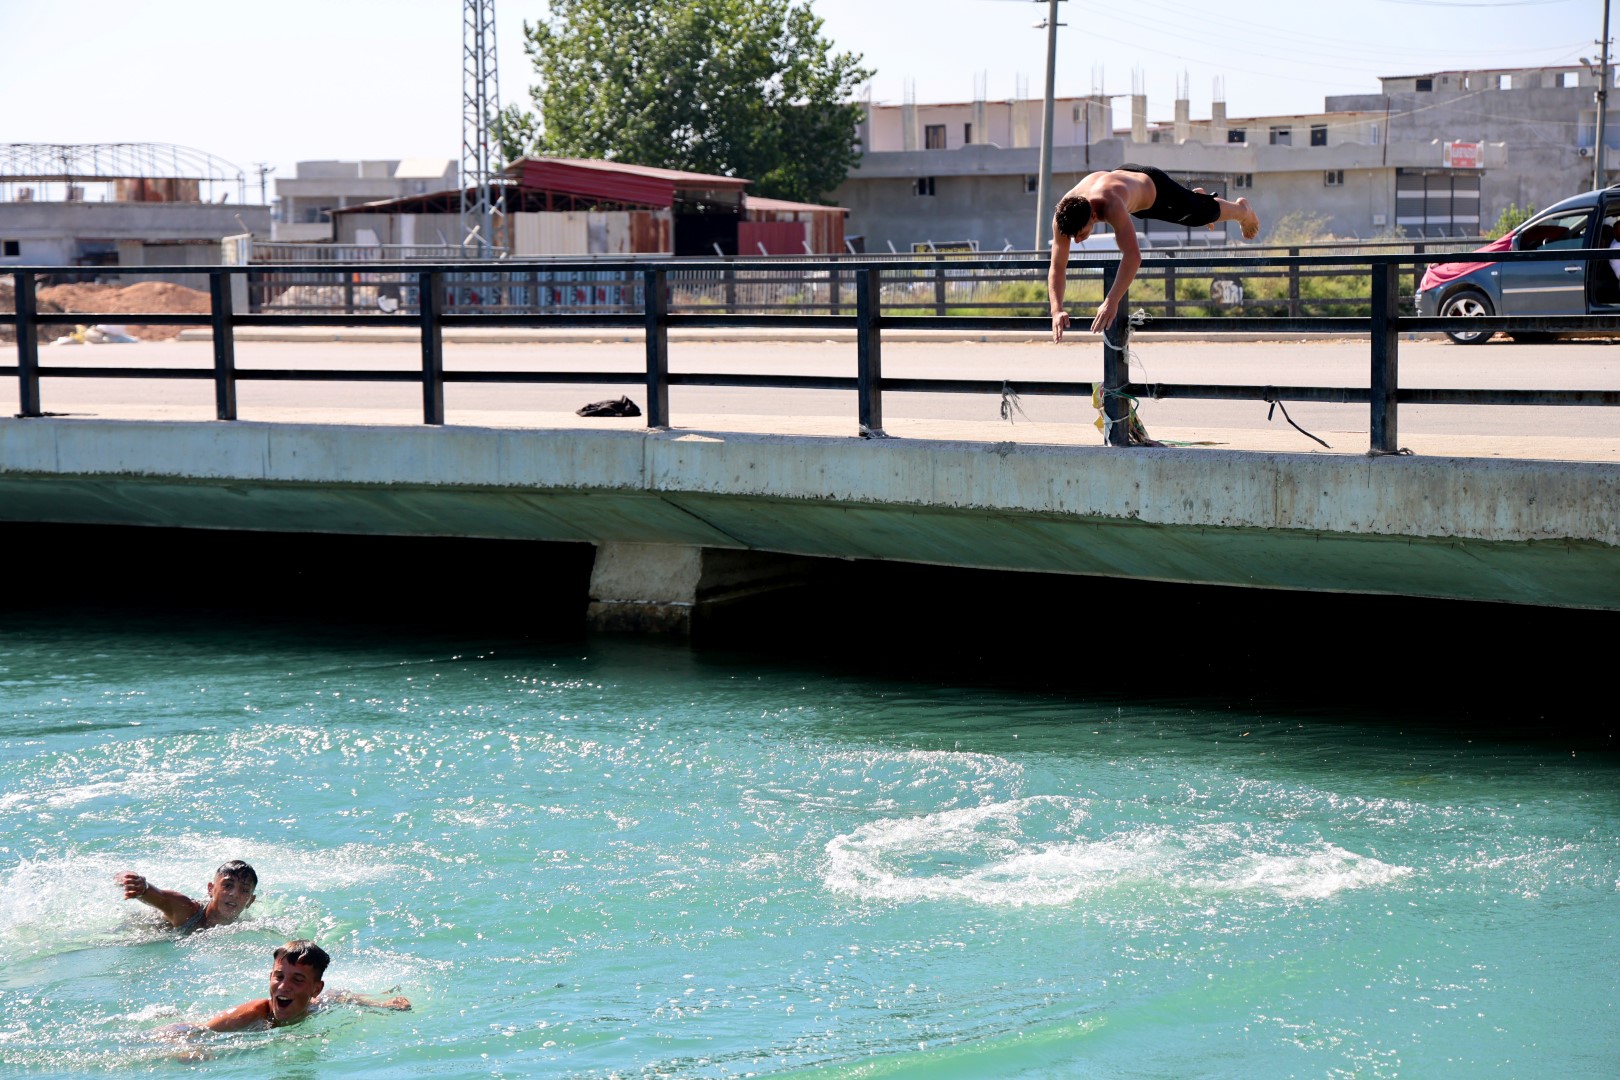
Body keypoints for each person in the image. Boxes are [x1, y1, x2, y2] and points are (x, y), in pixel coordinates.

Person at [1048, 165, 1261, 342]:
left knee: (1200, 216)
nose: (1076, 240)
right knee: (1193, 209)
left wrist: (1111, 301)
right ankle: (1194, 199)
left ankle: (1242, 211)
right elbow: (1057, 266)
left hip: (1153, 188)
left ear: (1094, 216)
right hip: (1125, 179)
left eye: (1080, 234)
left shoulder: (1112, 205)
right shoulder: (1063, 216)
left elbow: (1133, 256)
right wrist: (1056, 309)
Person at [169, 940, 411, 1035]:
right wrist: (185, 1046)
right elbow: (189, 1030)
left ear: (316, 989)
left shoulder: (320, 1003)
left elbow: (341, 995)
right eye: (279, 976)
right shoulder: (251, 1014)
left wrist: (382, 1004)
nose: (283, 987)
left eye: (297, 979)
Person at [115, 860, 258, 934]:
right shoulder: (186, 910)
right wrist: (133, 881)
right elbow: (155, 894)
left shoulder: (246, 926)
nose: (234, 894)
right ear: (211, 889)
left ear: (250, 901)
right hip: (139, 927)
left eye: (244, 890)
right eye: (227, 885)